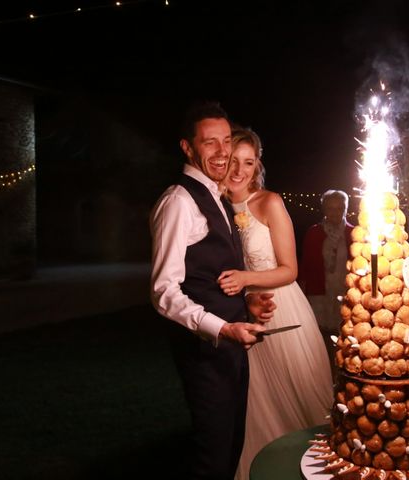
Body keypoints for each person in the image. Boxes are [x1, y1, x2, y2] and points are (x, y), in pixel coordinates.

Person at [150, 101, 276, 480]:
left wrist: (247, 302)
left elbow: (208, 275)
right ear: (188, 148)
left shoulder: (217, 196)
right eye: (210, 143)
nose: (222, 152)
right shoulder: (178, 201)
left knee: (232, 447)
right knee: (213, 458)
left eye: (226, 141)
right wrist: (221, 327)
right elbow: (164, 291)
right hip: (205, 352)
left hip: (232, 347)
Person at [217, 127, 333, 480]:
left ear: (257, 166)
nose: (239, 171)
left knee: (300, 396)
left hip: (281, 308)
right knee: (255, 401)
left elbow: (289, 270)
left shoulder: (270, 202)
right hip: (242, 313)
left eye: (248, 163)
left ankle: (320, 467)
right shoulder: (216, 204)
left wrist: (246, 279)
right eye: (234, 161)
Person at [298, 189, 354, 356]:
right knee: (319, 335)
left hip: (345, 291)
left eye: (339, 208)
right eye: (330, 208)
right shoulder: (313, 232)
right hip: (319, 292)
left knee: (345, 331)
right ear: (324, 209)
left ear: (345, 209)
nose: (335, 212)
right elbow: (305, 263)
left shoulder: (354, 233)